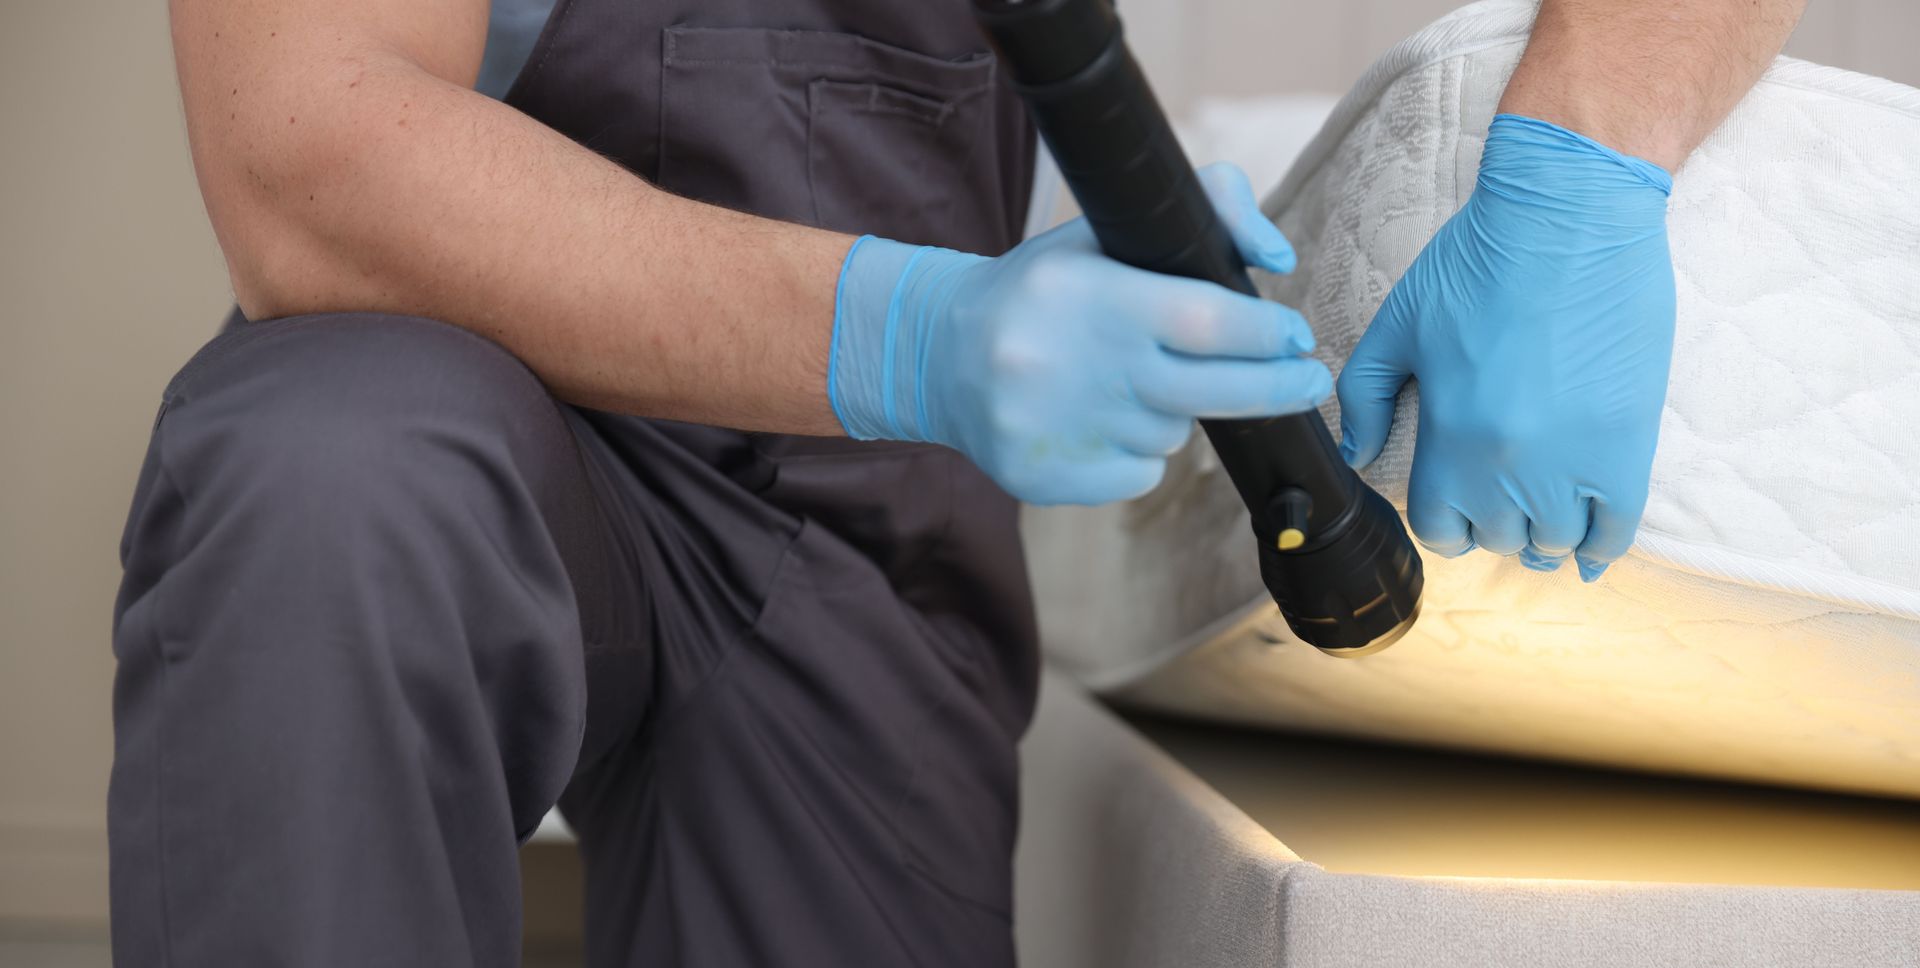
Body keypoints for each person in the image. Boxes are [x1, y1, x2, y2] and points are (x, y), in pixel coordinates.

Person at [110, 0, 1805, 964]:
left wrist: (1586, 154)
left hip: (874, 513)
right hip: (473, 388)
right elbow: (303, 150)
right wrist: (916, 330)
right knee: (321, 475)